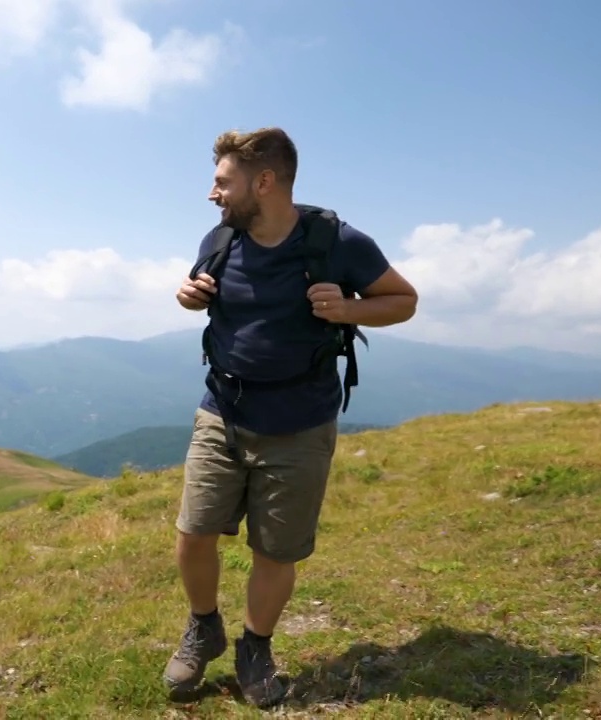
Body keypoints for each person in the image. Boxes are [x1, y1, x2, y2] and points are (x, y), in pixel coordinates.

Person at [163, 127, 418, 706]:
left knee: (274, 550)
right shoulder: (220, 236)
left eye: (223, 181)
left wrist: (350, 308)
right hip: (221, 412)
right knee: (193, 534)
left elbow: (404, 300)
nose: (212, 193)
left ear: (266, 181)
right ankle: (205, 627)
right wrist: (188, 295)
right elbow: (201, 290)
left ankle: (256, 647)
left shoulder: (337, 243)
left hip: (300, 422)